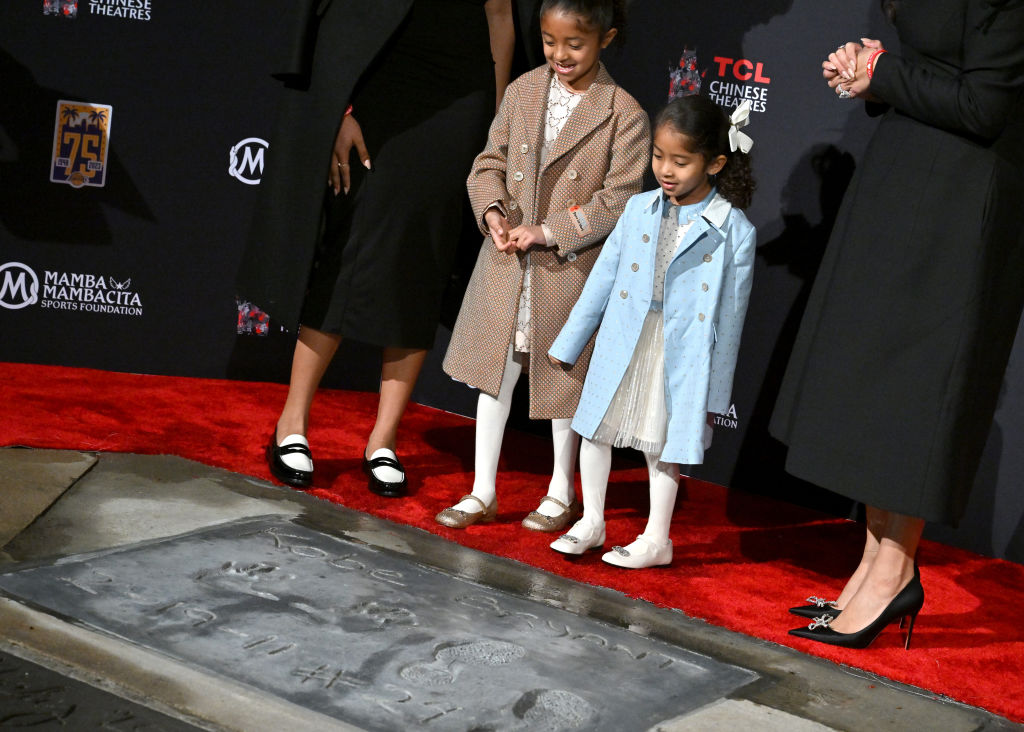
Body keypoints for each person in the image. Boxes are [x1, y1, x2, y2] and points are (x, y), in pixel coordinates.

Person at [772, 0, 1024, 649]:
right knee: (881, 379)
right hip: (912, 176)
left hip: (962, 204)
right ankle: (871, 563)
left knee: (915, 386)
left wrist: (885, 74)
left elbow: (985, 106)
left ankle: (895, 572)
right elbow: (934, 64)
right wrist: (872, 73)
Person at [243, 1, 515, 496]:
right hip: (381, 76)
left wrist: (495, 125)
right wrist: (338, 106)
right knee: (354, 247)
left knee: (423, 257)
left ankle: (383, 439)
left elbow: (499, 13)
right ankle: (292, 422)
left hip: (461, 89)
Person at [435, 0, 650, 531]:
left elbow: (618, 200)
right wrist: (491, 211)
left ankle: (560, 492)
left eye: (574, 44)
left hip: (567, 270)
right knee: (494, 377)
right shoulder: (523, 90)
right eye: (550, 42)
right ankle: (483, 490)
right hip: (506, 264)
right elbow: (490, 161)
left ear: (606, 38)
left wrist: (550, 231)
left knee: (561, 384)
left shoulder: (624, 114)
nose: (560, 54)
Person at [547, 96, 757, 567]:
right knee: (596, 428)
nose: (666, 169)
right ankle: (592, 521)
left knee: (664, 442)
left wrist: (715, 395)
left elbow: (732, 319)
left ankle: (657, 537)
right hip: (625, 335)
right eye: (659, 156)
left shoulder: (734, 231)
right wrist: (570, 342)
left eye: (681, 161)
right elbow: (602, 279)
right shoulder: (639, 208)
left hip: (679, 349)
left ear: (715, 162)